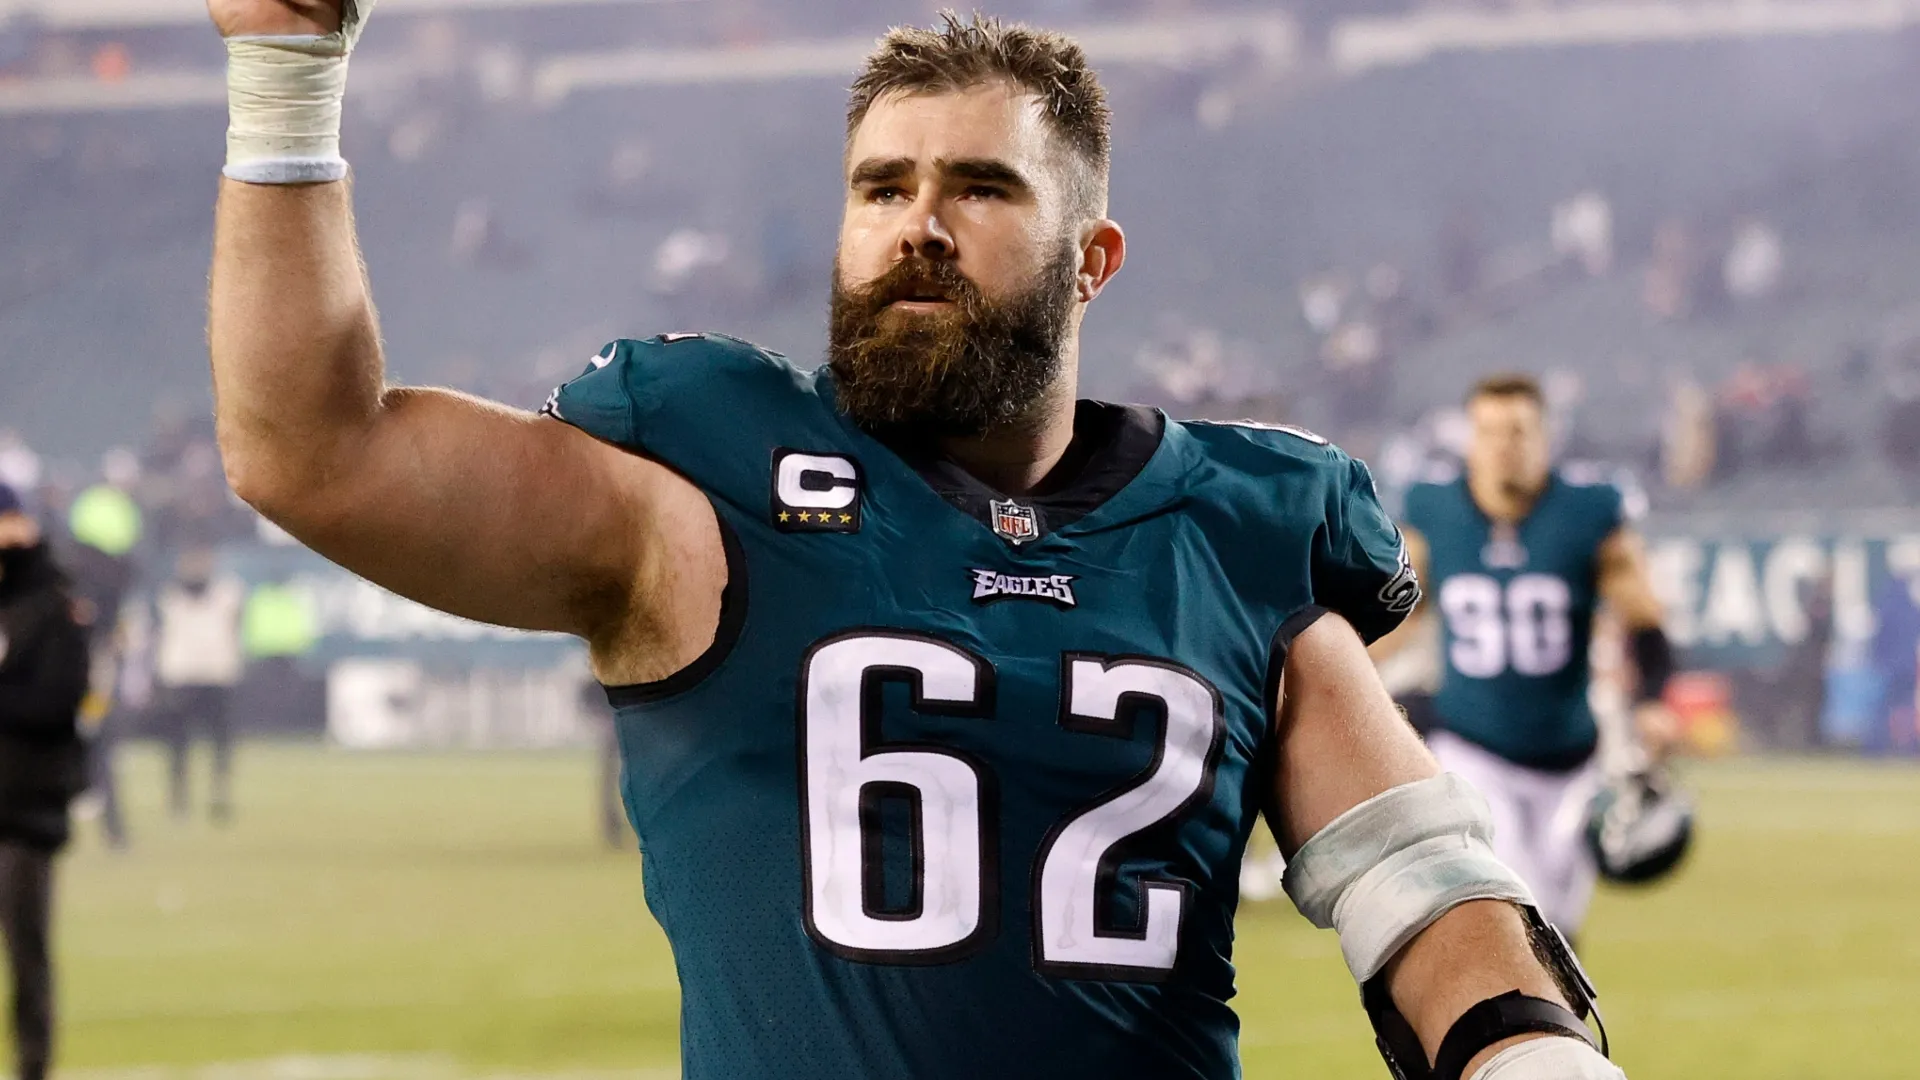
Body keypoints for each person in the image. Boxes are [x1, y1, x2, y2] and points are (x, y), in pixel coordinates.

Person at [205, 6, 1625, 1078]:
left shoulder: (1234, 532)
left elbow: (1426, 891)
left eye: (981, 190)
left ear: (1093, 257)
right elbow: (314, 452)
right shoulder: (706, 493)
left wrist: (1533, 1057)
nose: (920, 226)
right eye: (881, 188)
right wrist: (283, 76)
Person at [1375, 375, 1680, 944]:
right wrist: (1340, 674)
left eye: (1517, 430)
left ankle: (1555, 1033)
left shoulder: (1589, 510)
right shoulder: (1434, 507)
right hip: (1473, 747)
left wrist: (1654, 702)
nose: (1502, 445)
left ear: (1544, 436)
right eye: (1487, 431)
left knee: (1560, 936)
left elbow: (1643, 618)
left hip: (1571, 759)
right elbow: (1403, 612)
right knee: (1516, 913)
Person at [0, 484, 91, 1080]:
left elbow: (57, 701)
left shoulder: (55, 604)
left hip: (24, 809)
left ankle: (35, 1066)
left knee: (26, 954)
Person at [152, 545, 246, 823]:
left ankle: (219, 794)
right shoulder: (169, 595)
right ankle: (179, 799)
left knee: (220, 742)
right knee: (179, 743)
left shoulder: (228, 593)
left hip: (217, 675)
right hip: (181, 676)